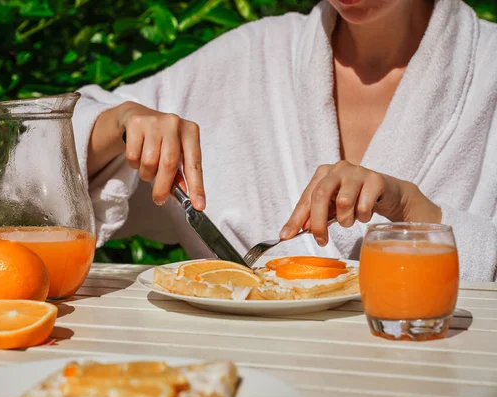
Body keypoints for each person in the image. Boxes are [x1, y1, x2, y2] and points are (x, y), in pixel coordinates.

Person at [72, 0, 497, 281]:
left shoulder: (487, 67)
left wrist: (411, 211)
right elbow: (30, 151)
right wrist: (120, 123)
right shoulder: (254, 56)